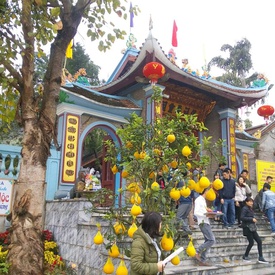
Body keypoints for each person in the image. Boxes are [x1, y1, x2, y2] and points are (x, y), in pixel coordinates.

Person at [240, 197, 269, 264]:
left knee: (259, 241)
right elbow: (242, 217)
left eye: (252, 201)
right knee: (251, 242)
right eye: (250, 201)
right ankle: (245, 255)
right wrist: (251, 219)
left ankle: (260, 257)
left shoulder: (250, 209)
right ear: (246, 202)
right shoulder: (244, 209)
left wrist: (253, 219)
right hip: (247, 228)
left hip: (252, 228)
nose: (251, 203)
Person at [194, 188, 216, 266]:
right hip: (203, 222)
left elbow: (203, 211)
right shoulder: (198, 200)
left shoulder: (203, 200)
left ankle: (202, 260)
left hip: (206, 221)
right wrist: (205, 214)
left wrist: (209, 213)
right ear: (205, 191)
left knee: (208, 240)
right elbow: (196, 212)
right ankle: (197, 251)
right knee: (211, 240)